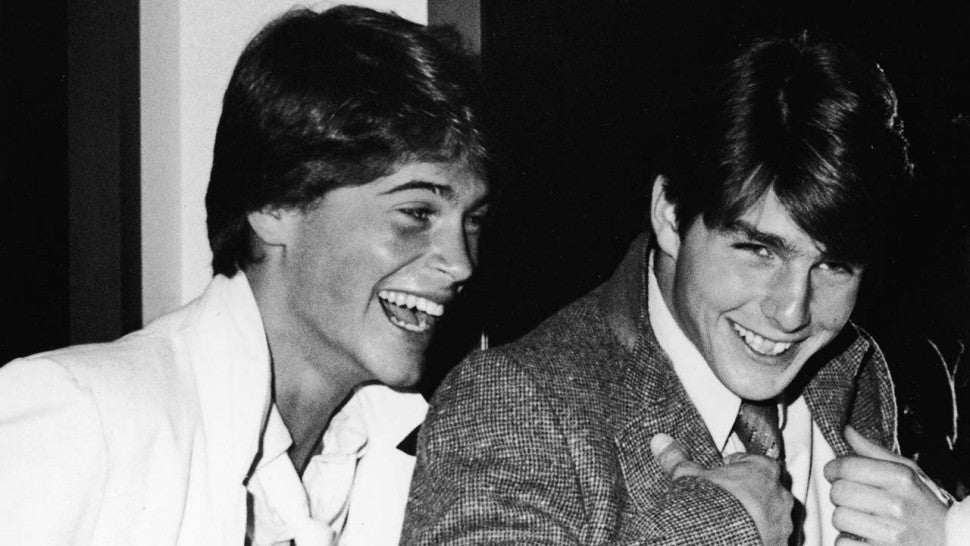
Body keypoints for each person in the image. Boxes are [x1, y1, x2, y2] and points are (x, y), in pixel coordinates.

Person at [0, 5, 487, 545]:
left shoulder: (423, 457)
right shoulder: (81, 417)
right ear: (276, 203)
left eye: (473, 220)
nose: (461, 263)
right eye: (417, 213)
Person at [402, 35, 909, 544]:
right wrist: (719, 531)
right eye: (758, 250)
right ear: (669, 215)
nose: (793, 312)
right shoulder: (514, 402)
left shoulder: (852, 371)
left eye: (834, 266)